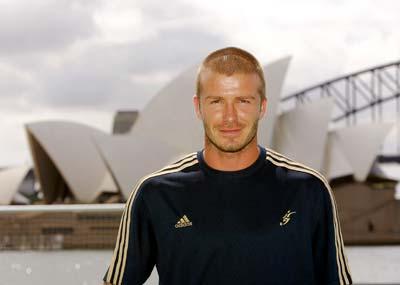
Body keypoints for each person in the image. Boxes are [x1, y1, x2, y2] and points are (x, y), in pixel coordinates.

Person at [103, 47, 353, 285]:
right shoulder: (154, 193)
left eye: (243, 101)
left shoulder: (309, 189)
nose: (230, 117)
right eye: (216, 102)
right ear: (198, 107)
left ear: (262, 107)